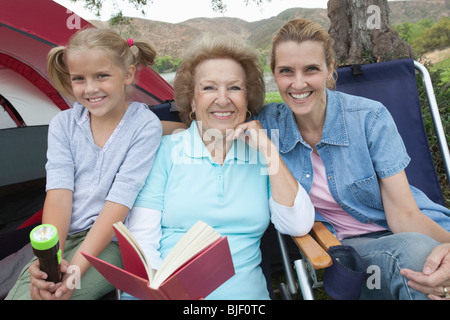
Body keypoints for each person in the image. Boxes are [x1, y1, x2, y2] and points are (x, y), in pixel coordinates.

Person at [253, 19, 450, 300]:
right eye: (286, 71)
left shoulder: (370, 118)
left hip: (419, 226)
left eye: (311, 69)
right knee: (422, 263)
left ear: (330, 68)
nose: (298, 83)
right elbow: (202, 125)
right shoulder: (266, 127)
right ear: (274, 73)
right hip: (358, 250)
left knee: (431, 264)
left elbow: (405, 216)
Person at [120, 34, 315, 300]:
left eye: (234, 88)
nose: (223, 100)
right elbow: (142, 241)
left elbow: (299, 225)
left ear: (248, 98)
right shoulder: (165, 152)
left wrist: (269, 151)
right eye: (209, 88)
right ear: (191, 100)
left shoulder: (262, 154)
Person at [5, 27, 163, 300]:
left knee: (62, 296)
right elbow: (59, 195)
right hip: (64, 234)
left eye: (101, 76)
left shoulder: (144, 126)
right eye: (79, 79)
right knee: (33, 293)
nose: (90, 89)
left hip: (110, 241)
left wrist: (76, 268)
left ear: (127, 75)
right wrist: (50, 262)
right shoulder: (63, 125)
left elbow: (118, 204)